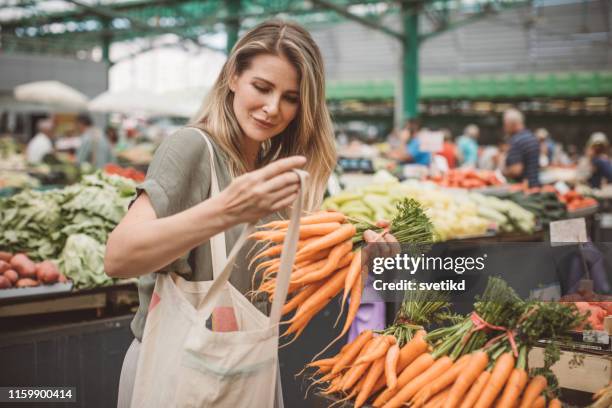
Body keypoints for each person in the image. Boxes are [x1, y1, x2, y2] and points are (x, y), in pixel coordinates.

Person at [105, 20, 397, 407]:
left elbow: (265, 290)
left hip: (247, 373)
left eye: (290, 98)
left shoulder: (273, 175)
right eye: (262, 87)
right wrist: (225, 210)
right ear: (232, 77)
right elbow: (119, 256)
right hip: (179, 374)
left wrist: (359, 262)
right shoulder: (191, 148)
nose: (273, 108)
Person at [502, 108, 540, 187]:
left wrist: (501, 172)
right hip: (534, 185)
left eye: (505, 124)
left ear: (511, 124)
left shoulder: (516, 141)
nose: (504, 128)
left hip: (523, 188)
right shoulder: (531, 137)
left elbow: (516, 170)